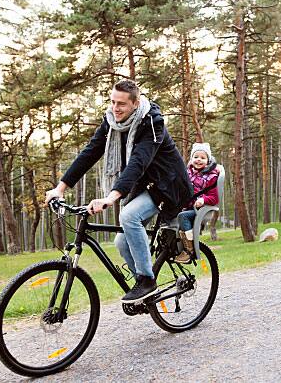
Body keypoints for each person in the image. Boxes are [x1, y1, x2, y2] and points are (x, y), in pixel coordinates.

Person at [44, 79, 193, 303]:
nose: (115, 108)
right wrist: (60, 188)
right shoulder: (112, 122)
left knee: (129, 216)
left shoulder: (152, 122)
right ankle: (145, 293)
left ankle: (147, 281)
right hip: (144, 186)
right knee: (121, 243)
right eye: (113, 102)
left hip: (167, 185)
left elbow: (138, 162)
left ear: (135, 103)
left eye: (121, 104)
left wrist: (111, 197)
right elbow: (90, 152)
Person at [174, 143, 220, 264]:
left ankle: (189, 251)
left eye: (202, 157)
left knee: (182, 216)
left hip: (202, 210)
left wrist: (203, 200)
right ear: (191, 159)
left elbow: (214, 198)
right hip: (189, 207)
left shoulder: (211, 176)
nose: (198, 159)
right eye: (196, 157)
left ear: (208, 160)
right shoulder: (188, 173)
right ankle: (174, 247)